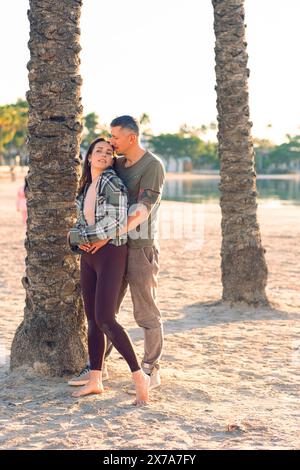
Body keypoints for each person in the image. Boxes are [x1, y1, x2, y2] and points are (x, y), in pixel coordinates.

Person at [69, 116, 165, 389]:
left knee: (145, 309)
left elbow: (141, 209)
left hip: (140, 245)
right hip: (114, 247)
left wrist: (107, 234)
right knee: (106, 310)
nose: (111, 142)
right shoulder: (118, 164)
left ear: (131, 138)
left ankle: (150, 367)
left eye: (115, 138)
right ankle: (99, 366)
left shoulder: (153, 166)